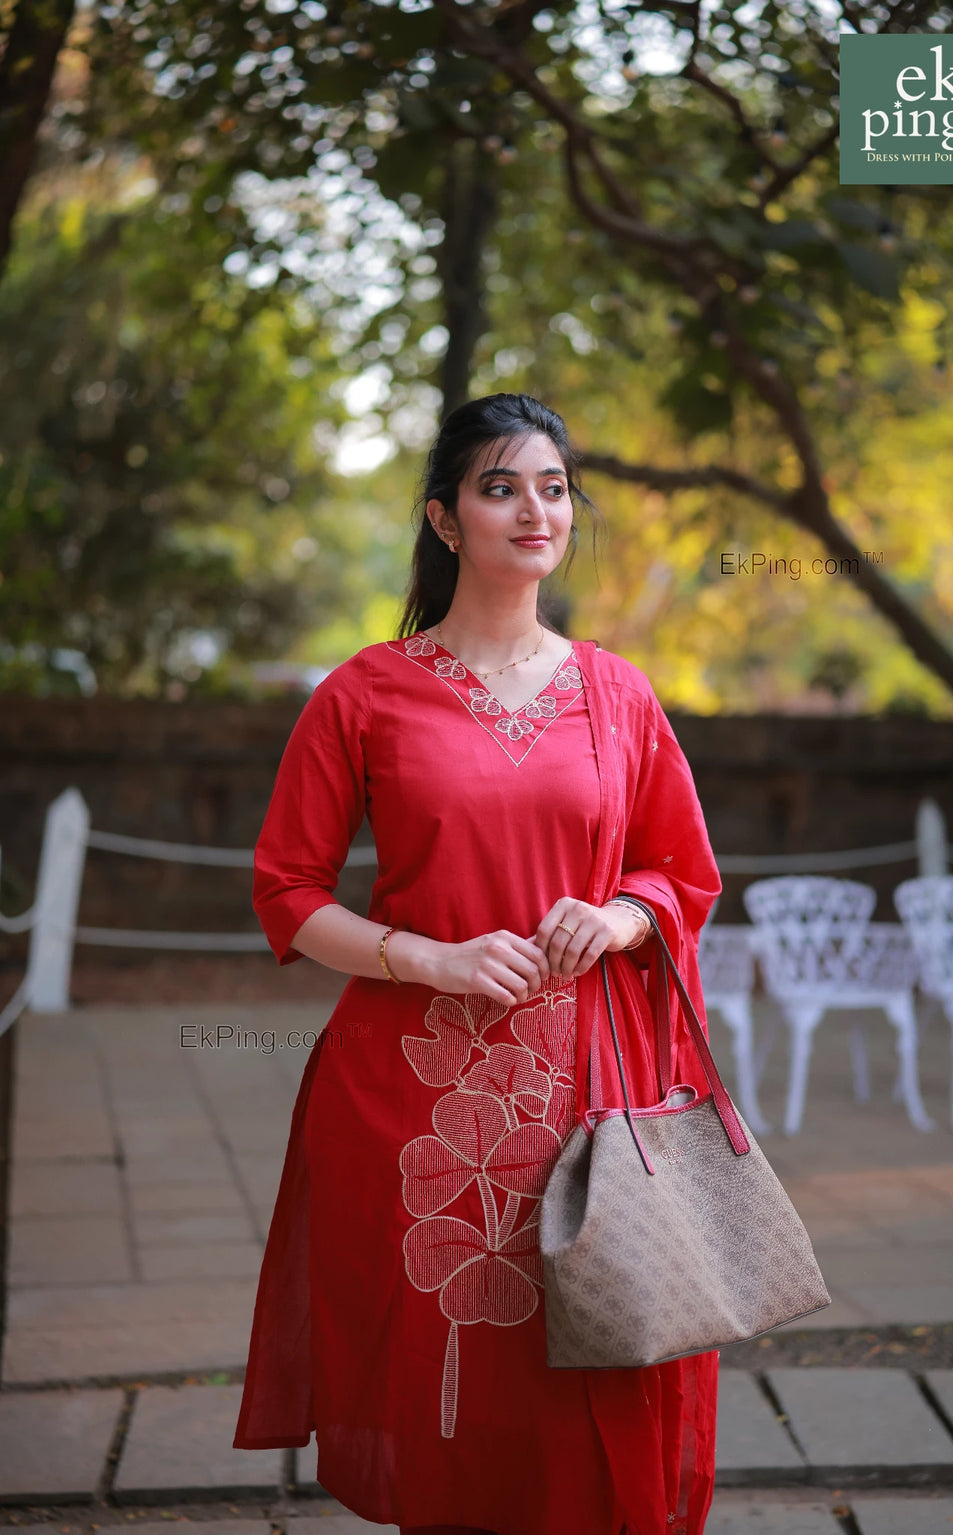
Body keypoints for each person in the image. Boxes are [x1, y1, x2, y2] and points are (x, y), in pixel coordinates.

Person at [233, 392, 723, 1535]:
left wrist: (618, 919)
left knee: (592, 1366)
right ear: (445, 520)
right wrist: (431, 957)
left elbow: (678, 872)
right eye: (500, 486)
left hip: (591, 1098)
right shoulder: (365, 691)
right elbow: (286, 893)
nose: (533, 508)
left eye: (552, 487)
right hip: (417, 1103)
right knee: (454, 1399)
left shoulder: (617, 693)